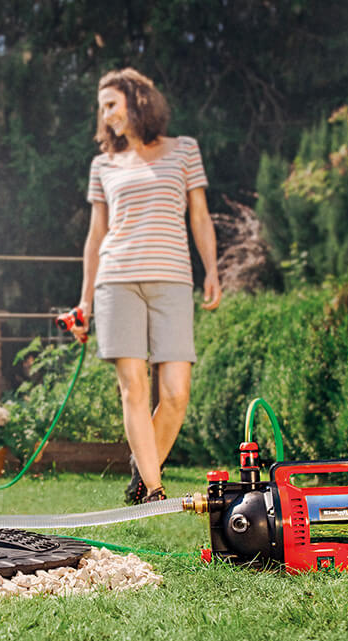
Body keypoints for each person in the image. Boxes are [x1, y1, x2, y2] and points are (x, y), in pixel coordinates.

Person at [69, 67, 221, 504]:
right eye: (102, 108)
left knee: (176, 393)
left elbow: (199, 215)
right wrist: (84, 301)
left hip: (172, 279)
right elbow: (96, 236)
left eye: (111, 104)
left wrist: (211, 269)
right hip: (116, 281)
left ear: (137, 101)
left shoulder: (184, 150)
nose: (105, 114)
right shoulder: (104, 165)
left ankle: (143, 465)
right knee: (133, 387)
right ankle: (152, 490)